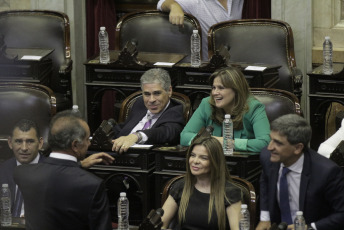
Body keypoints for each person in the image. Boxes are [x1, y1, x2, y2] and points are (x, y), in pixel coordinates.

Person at [13, 111, 114, 230]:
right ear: (75, 145)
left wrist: (78, 165)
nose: (89, 143)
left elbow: (55, 173)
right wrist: (77, 166)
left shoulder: (22, 173)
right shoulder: (92, 185)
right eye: (87, 139)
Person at [257, 114, 344, 230]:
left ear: (298, 148)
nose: (270, 147)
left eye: (278, 143)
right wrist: (265, 218)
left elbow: (341, 214)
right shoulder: (268, 157)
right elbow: (265, 183)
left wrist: (310, 228)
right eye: (271, 139)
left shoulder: (327, 172)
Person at [180, 66, 270, 153]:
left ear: (236, 90)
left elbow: (265, 143)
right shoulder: (206, 104)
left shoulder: (254, 107)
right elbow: (184, 137)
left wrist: (229, 143)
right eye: (214, 88)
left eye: (221, 88)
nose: (215, 93)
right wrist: (212, 141)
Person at [161, 136, 242, 230]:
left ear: (215, 162)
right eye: (192, 155)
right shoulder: (180, 186)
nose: (195, 161)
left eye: (203, 158)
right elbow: (161, 224)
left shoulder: (231, 192)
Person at [111, 68, 185, 153]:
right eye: (147, 94)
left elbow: (166, 132)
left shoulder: (174, 112)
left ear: (169, 91)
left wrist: (136, 136)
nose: (151, 100)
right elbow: (123, 128)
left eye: (157, 93)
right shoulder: (140, 103)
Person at [157, 0, 244, 61]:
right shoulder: (195, 2)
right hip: (211, 67)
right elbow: (161, 3)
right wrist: (174, 6)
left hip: (240, 63)